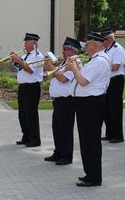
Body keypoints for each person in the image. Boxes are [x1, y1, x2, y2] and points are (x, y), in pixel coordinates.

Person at [66, 32, 111, 187]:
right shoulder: (96, 60)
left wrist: (73, 68)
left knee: (90, 141)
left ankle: (94, 177)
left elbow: (83, 81)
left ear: (94, 45)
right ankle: (89, 173)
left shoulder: (99, 61)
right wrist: (78, 67)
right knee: (86, 140)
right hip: (88, 103)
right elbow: (85, 75)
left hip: (91, 104)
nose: (85, 47)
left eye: (87, 44)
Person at [43, 37, 82, 165]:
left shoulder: (75, 61)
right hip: (59, 100)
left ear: (72, 50)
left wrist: (50, 69)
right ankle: (58, 152)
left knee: (65, 128)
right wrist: (50, 67)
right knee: (57, 127)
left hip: (67, 101)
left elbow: (64, 79)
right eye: (63, 49)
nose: (63, 51)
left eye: (65, 49)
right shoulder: (64, 61)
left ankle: (66, 156)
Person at [11, 33, 44, 147]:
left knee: (31, 114)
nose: (24, 44)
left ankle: (35, 139)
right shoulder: (27, 55)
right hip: (23, 87)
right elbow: (20, 68)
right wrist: (14, 59)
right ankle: (26, 136)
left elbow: (30, 70)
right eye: (25, 42)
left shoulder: (38, 56)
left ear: (33, 43)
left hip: (32, 87)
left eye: (26, 42)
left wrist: (19, 60)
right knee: (22, 114)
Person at [100, 27, 125, 143]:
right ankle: (109, 133)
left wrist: (101, 66)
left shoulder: (118, 49)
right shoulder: (106, 49)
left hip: (116, 80)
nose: (102, 42)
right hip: (107, 80)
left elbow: (115, 67)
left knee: (115, 109)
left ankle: (118, 135)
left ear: (109, 39)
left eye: (103, 40)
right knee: (106, 108)